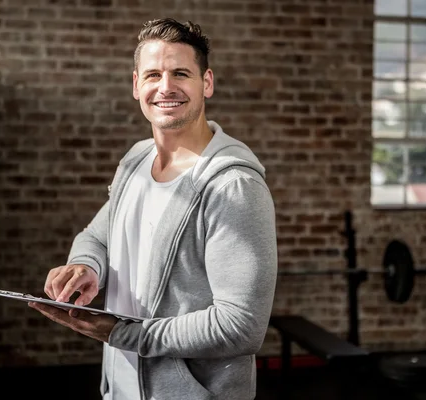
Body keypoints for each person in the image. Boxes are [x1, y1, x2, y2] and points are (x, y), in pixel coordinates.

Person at [28, 17, 278, 400]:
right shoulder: (136, 161)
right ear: (135, 85)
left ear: (206, 83)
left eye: (181, 73)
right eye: (152, 75)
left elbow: (241, 326)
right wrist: (86, 266)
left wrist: (120, 333)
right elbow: (97, 235)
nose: (165, 87)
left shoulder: (234, 187)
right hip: (122, 389)